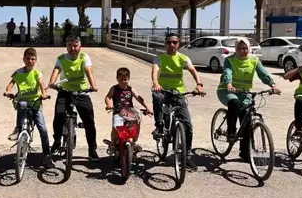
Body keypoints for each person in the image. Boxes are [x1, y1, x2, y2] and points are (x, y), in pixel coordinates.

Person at [217, 38, 280, 161]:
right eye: (239, 48)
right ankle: (230, 131)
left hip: (244, 93)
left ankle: (244, 153)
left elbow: (263, 74)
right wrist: (229, 84)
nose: (242, 51)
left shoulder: (254, 60)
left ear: (249, 48)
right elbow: (227, 72)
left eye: (245, 48)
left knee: (246, 121)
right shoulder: (230, 60)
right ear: (236, 49)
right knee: (234, 103)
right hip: (227, 90)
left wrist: (272, 85)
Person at [151, 33, 204, 168]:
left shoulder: (183, 58)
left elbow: (192, 70)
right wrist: (155, 83)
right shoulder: (160, 58)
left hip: (178, 94)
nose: (172, 45)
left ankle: (186, 157)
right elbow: (155, 71)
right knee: (156, 97)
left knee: (188, 126)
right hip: (163, 91)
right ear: (165, 44)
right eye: (169, 42)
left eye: (175, 42)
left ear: (178, 44)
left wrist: (199, 84)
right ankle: (159, 126)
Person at [48, 35, 100, 161]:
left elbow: (89, 71)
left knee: (89, 121)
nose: (72, 48)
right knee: (59, 115)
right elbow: (56, 71)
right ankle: (57, 141)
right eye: (70, 46)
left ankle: (92, 150)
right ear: (66, 46)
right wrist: (52, 82)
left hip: (81, 92)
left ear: (80, 46)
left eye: (75, 45)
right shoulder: (61, 58)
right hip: (65, 91)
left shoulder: (84, 57)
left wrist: (93, 85)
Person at [3, 48, 54, 168]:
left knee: (43, 130)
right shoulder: (18, 73)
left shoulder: (37, 73)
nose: (30, 61)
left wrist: (43, 94)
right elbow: (10, 85)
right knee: (22, 105)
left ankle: (47, 156)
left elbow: (41, 84)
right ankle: (18, 128)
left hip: (36, 103)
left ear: (35, 60)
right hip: (23, 102)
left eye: (33, 59)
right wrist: (8, 92)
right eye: (28, 58)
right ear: (23, 59)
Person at [104, 67, 152, 155]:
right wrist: (109, 104)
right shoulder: (114, 88)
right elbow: (108, 97)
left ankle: (134, 143)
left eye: (125, 80)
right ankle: (113, 145)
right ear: (117, 79)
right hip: (118, 111)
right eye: (121, 80)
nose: (123, 82)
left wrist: (147, 108)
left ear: (128, 79)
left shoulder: (130, 89)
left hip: (129, 111)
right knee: (115, 127)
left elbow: (139, 98)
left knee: (137, 122)